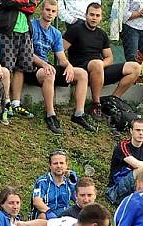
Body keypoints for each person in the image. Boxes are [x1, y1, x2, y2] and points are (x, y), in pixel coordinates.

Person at [63, 2, 142, 121]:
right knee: (96, 63)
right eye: (92, 15)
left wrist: (101, 65)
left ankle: (112, 99)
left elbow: (109, 57)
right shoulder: (75, 30)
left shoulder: (102, 34)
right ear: (86, 15)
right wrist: (68, 66)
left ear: (101, 18)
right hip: (81, 69)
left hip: (99, 69)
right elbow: (60, 50)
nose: (94, 18)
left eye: (97, 15)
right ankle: (96, 104)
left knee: (135, 67)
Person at [27, 0, 95, 135]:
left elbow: (61, 57)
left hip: (47, 67)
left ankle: (78, 114)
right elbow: (27, 53)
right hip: (31, 67)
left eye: (53, 11)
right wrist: (44, 64)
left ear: (56, 14)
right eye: (47, 10)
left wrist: (68, 65)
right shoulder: (31, 26)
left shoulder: (56, 33)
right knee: (49, 73)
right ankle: (50, 115)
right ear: (42, 10)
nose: (50, 13)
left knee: (81, 73)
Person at [0, 0, 38, 120]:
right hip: (6, 30)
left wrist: (23, 3)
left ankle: (16, 103)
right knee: (7, 66)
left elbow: (32, 5)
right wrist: (22, 3)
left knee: (21, 67)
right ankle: (5, 101)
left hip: (25, 31)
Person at [30, 150, 78, 220]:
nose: (59, 166)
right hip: (47, 217)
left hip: (64, 218)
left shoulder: (69, 182)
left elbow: (78, 201)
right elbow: (37, 202)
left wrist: (74, 184)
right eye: (55, 163)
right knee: (43, 215)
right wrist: (50, 214)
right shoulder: (42, 182)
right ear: (50, 166)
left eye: (61, 163)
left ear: (66, 165)